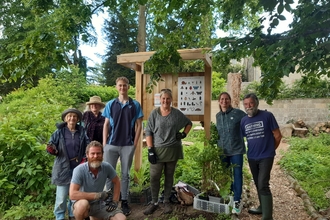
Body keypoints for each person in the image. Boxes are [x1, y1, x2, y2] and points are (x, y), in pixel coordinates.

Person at [143, 88, 192, 215]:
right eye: (163, 98)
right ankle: (154, 202)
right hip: (157, 150)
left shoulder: (176, 114)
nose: (165, 101)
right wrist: (150, 150)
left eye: (168, 98)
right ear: (160, 99)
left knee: (169, 177)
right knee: (154, 176)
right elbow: (148, 131)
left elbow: (188, 123)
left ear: (171, 100)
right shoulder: (154, 114)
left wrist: (183, 135)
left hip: (172, 149)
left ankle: (166, 201)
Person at [102, 76, 144, 216]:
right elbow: (106, 124)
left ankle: (124, 201)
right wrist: (104, 144)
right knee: (109, 173)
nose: (122, 88)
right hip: (111, 144)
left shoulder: (135, 104)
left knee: (125, 174)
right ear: (116, 87)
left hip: (127, 145)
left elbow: (139, 125)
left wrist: (135, 143)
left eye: (124, 85)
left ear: (128, 87)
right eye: (120, 85)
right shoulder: (110, 104)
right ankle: (109, 200)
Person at [240, 93, 282, 220]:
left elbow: (278, 135)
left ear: (256, 103)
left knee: (263, 183)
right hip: (252, 157)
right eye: (246, 104)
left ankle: (267, 216)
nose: (248, 106)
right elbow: (245, 138)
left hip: (266, 157)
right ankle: (262, 208)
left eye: (251, 103)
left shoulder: (267, 116)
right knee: (258, 184)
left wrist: (269, 150)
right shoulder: (244, 120)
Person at [46, 108, 90, 220]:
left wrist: (85, 159)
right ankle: (59, 217)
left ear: (78, 119)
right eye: (69, 116)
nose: (72, 118)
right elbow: (51, 147)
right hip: (62, 168)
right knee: (61, 197)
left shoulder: (82, 132)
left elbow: (88, 146)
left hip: (78, 168)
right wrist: (52, 149)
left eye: (74, 116)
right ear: (65, 119)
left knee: (74, 196)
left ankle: (72, 215)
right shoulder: (59, 132)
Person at [69, 141, 126, 220]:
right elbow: (72, 194)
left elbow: (117, 181)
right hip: (83, 205)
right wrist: (98, 195)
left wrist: (115, 201)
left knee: (121, 218)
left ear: (102, 154)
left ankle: (94, 217)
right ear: (87, 155)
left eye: (98, 153)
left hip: (100, 205)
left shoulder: (107, 167)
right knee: (82, 205)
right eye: (92, 153)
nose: (95, 156)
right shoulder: (79, 170)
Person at [216, 92, 246, 214]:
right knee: (226, 175)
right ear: (219, 101)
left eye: (227, 99)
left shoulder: (238, 113)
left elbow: (247, 124)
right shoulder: (218, 116)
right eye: (222, 99)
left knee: (237, 174)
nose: (224, 101)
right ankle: (230, 195)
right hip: (223, 151)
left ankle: (237, 201)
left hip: (236, 150)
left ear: (230, 100)